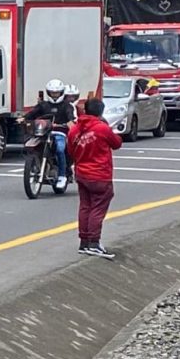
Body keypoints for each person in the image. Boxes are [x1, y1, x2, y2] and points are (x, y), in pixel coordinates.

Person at [67, 95, 120, 257]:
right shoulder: (102, 128)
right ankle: (94, 242)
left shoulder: (75, 129)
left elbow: (70, 151)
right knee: (98, 207)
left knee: (85, 206)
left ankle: (84, 242)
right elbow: (117, 143)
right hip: (99, 174)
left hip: (82, 172)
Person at [27, 79, 78, 189]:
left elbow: (71, 118)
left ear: (61, 93)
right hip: (43, 132)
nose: (55, 95)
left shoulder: (66, 106)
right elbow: (32, 114)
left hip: (59, 133)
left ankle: (62, 175)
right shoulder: (43, 105)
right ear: (48, 93)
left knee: (60, 148)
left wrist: (70, 124)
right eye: (52, 93)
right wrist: (23, 119)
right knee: (32, 146)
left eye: (57, 93)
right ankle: (36, 166)